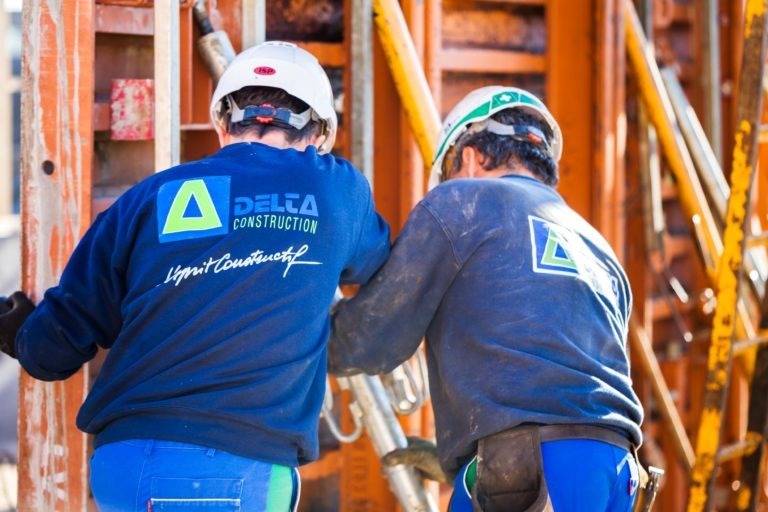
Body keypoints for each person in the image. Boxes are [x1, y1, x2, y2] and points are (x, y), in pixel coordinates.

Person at [0, 41, 390, 511]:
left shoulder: (146, 200)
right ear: (321, 134)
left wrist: (18, 330)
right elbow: (374, 266)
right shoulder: (338, 189)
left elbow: (52, 353)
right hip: (234, 471)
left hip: (123, 462)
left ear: (223, 123)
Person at [328, 86, 644, 511]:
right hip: (616, 471)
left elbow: (371, 340)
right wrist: (457, 457)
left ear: (471, 158)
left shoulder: (462, 201)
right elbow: (566, 379)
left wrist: (285, 333)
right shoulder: (599, 247)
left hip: (528, 468)